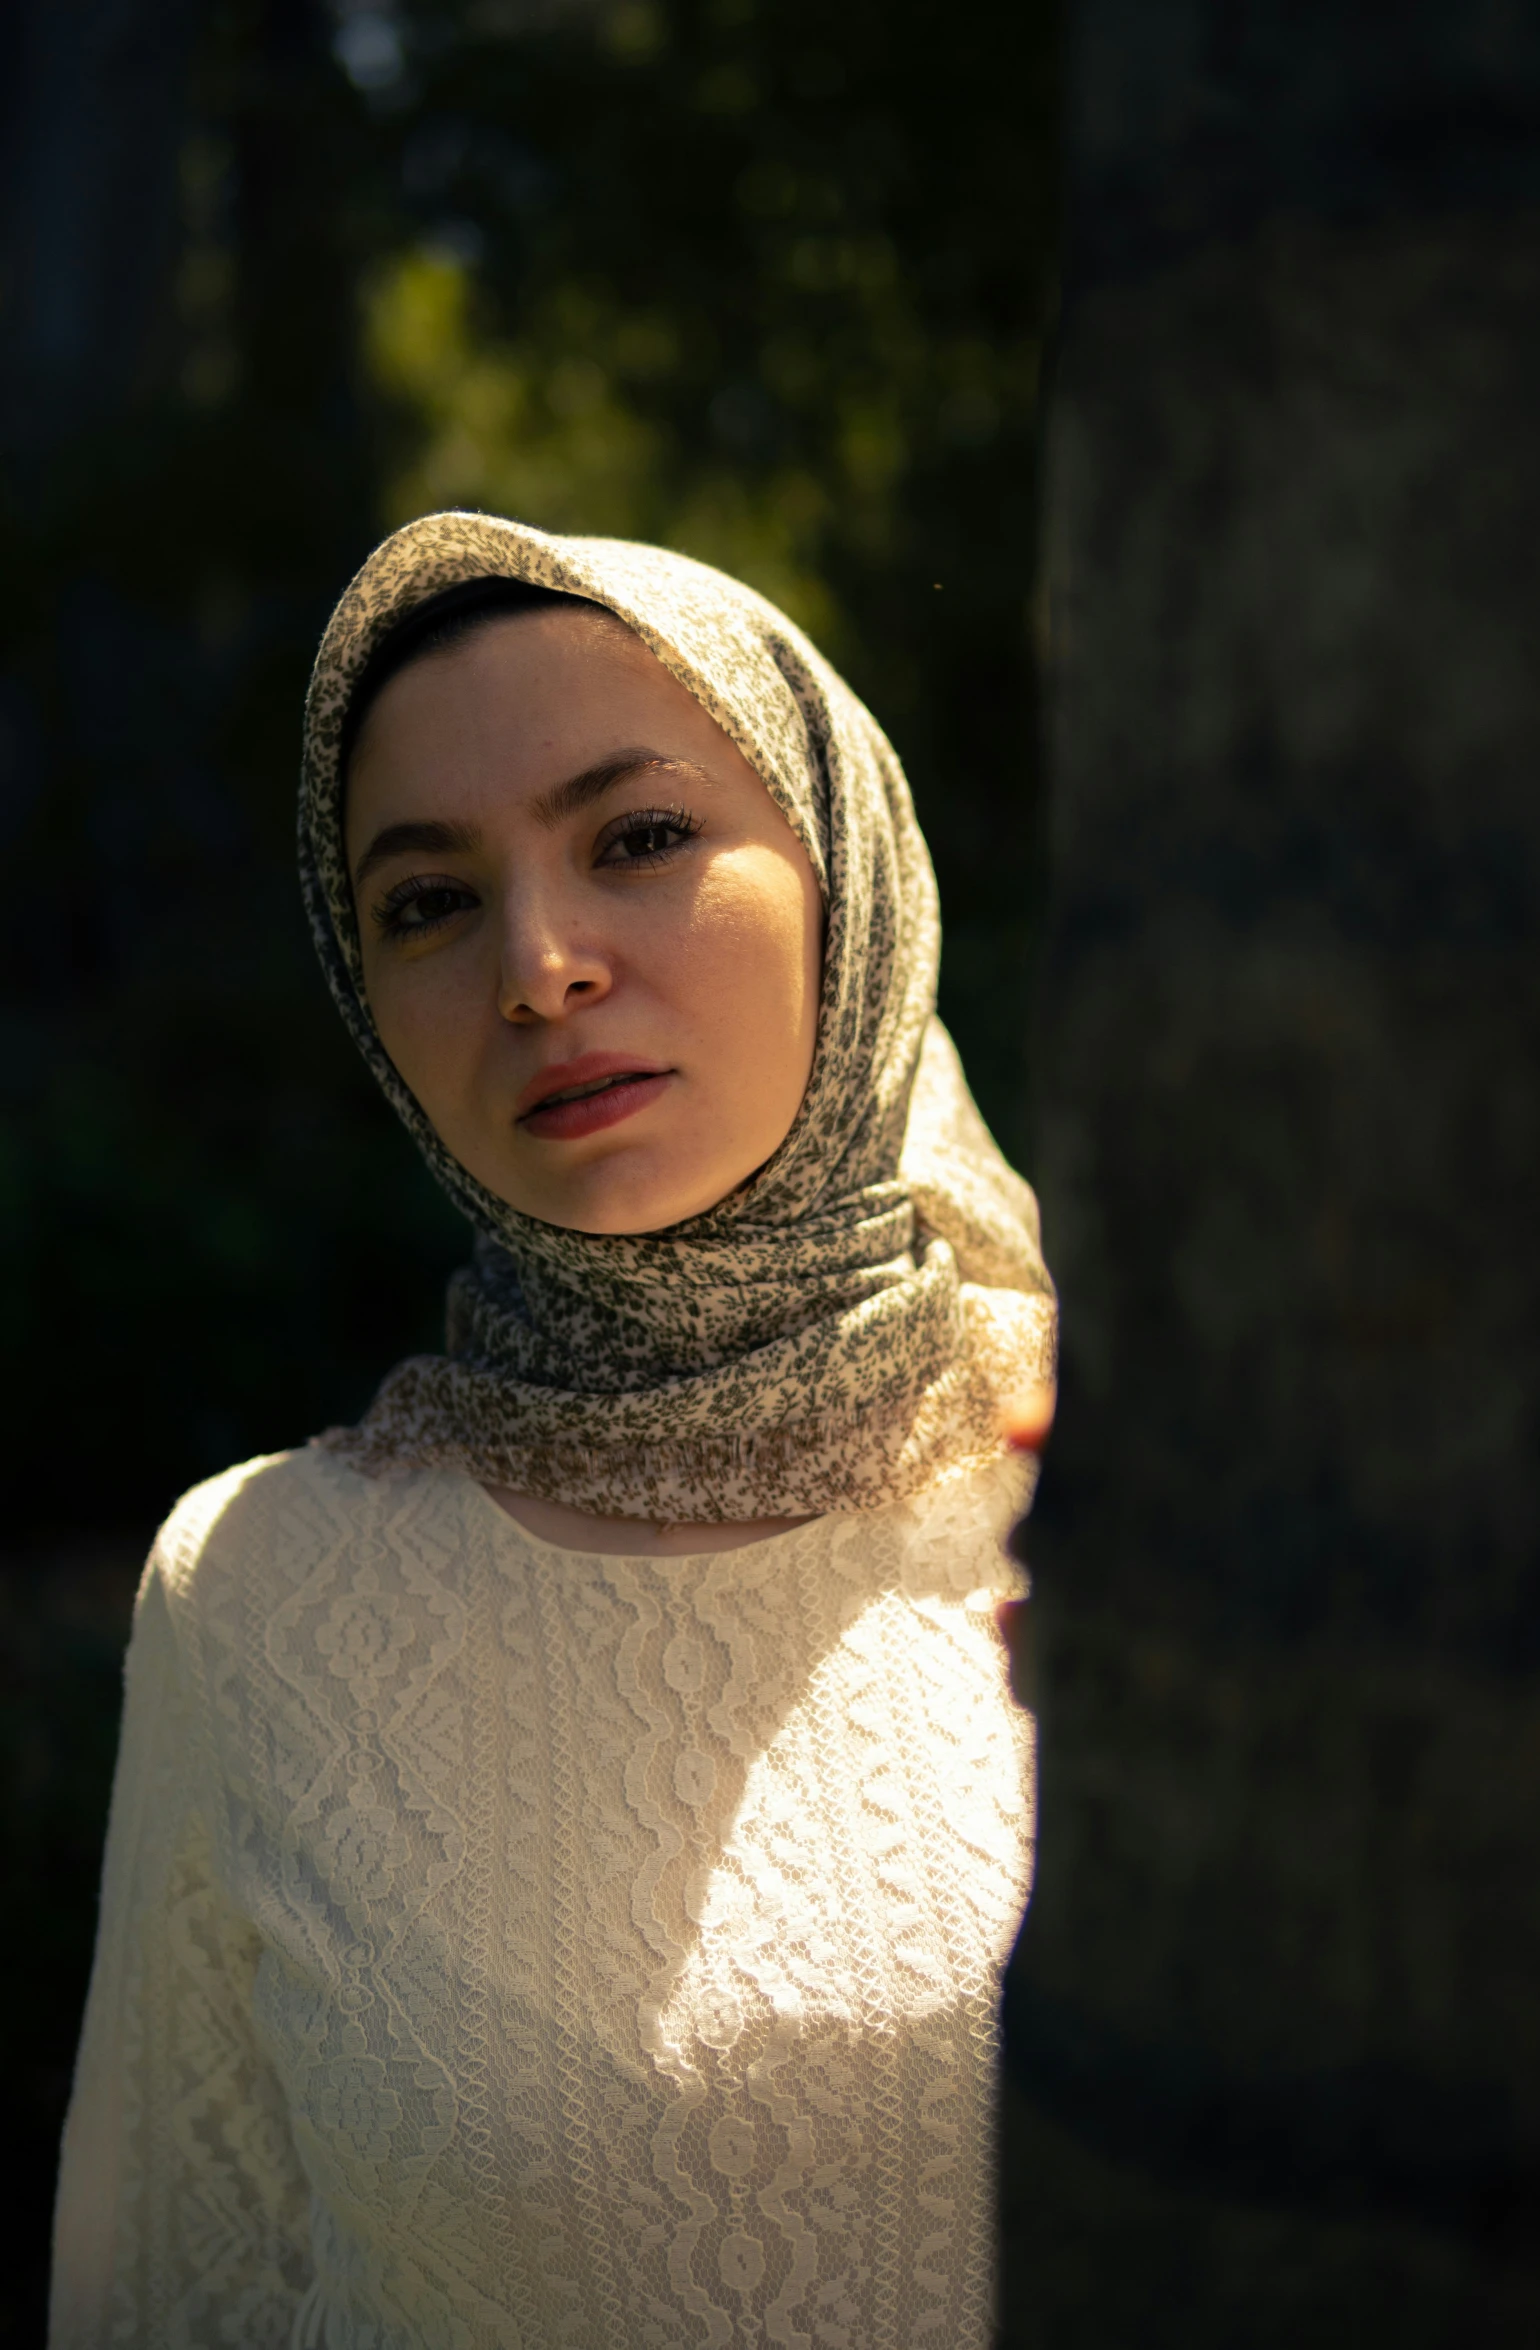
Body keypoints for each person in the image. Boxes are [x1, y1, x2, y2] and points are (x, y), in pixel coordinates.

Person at [50, 511, 1056, 2349]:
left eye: (639, 836)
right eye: (427, 899)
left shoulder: (1144, 1513)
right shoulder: (260, 1590)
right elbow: (173, 2293)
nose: (537, 962)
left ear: (847, 870)